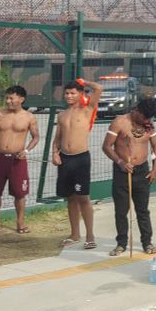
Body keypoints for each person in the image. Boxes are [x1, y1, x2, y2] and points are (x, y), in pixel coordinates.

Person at [102, 98, 156, 256]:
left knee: (142, 210)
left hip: (142, 171)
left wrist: (154, 168)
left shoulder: (148, 124)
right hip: (122, 172)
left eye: (149, 118)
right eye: (144, 117)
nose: (147, 121)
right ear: (138, 111)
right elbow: (106, 146)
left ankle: (147, 242)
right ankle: (121, 243)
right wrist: (120, 161)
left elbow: (155, 147)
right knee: (121, 211)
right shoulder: (120, 122)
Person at [0, 85, 40, 235]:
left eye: (11, 98)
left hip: (18, 160)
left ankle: (20, 223)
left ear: (21, 99)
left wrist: (25, 150)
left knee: (19, 193)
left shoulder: (29, 117)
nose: (8, 101)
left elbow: (36, 137)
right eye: (6, 98)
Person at [53, 78, 103, 248]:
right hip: (65, 159)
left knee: (83, 197)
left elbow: (98, 88)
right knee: (71, 198)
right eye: (67, 93)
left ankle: (90, 235)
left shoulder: (87, 109)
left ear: (80, 94)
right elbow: (58, 137)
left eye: (73, 93)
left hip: (81, 158)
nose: (69, 96)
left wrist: (84, 81)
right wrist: (55, 153)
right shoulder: (62, 114)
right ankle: (75, 234)